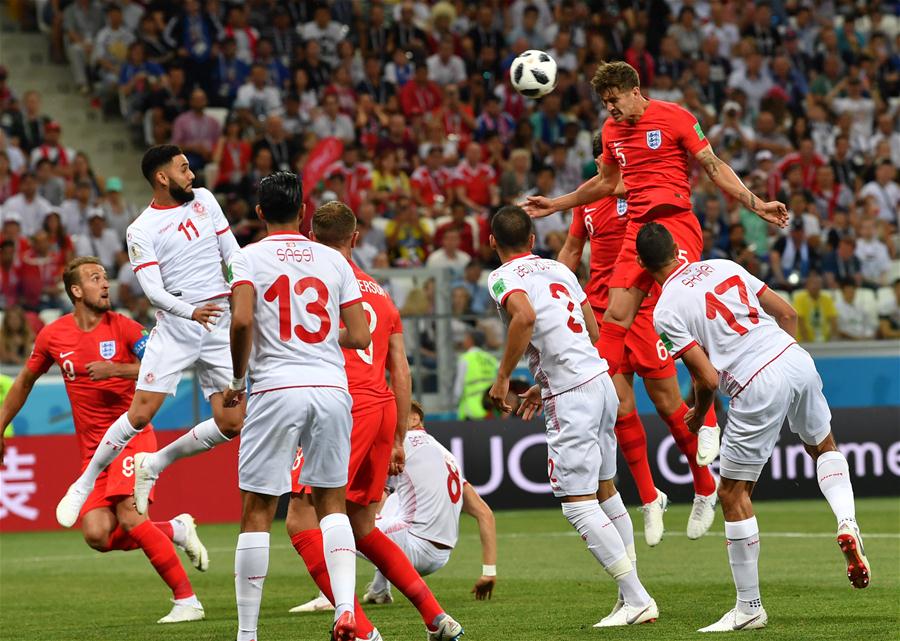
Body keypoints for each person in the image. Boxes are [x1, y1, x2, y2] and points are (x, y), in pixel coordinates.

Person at [524, 61, 787, 456]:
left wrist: (757, 204)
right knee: (614, 319)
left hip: (674, 225)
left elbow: (714, 168)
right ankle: (581, 390)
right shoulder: (612, 131)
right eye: (604, 103)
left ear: (635, 90)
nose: (610, 109)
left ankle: (712, 415)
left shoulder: (675, 117)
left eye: (614, 100)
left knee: (686, 308)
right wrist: (556, 205)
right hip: (637, 231)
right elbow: (608, 183)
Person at [635, 222, 870, 632]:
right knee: (823, 446)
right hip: (793, 356)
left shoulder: (665, 310)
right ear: (678, 248)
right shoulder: (723, 265)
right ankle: (847, 521)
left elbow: (707, 377)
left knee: (731, 493)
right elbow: (787, 313)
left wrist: (697, 413)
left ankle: (749, 608)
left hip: (754, 380)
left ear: (642, 263)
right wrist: (782, 359)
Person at [284, 201, 464, 641]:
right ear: (356, 238)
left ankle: (358, 629)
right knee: (362, 526)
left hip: (342, 408)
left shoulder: (313, 286)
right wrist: (400, 436)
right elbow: (400, 369)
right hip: (383, 408)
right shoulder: (380, 293)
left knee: (302, 517)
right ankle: (435, 617)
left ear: (311, 238)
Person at [0, 256, 208, 624]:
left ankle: (187, 600)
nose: (106, 284)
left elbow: (163, 365)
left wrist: (119, 369)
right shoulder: (53, 335)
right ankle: (174, 529)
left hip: (132, 437)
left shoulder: (125, 328)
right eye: (96, 279)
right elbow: (24, 382)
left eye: (105, 277)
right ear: (76, 291)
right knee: (96, 534)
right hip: (93, 452)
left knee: (129, 517)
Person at [486, 206, 658, 627]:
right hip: (599, 381)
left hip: (572, 396)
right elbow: (592, 332)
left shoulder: (501, 277)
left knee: (576, 504)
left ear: (493, 243)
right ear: (531, 240)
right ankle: (627, 596)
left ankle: (637, 598)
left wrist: (504, 377)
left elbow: (524, 316)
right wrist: (542, 383)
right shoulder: (558, 270)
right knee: (605, 490)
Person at [54, 145, 243, 528]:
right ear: (162, 177)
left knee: (232, 422)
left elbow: (233, 253)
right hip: (178, 327)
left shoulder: (205, 200)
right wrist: (190, 311)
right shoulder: (140, 229)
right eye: (184, 168)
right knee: (139, 415)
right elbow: (154, 292)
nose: (192, 175)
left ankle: (156, 462)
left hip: (219, 324)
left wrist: (241, 287)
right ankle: (85, 481)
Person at [220, 175, 371, 641]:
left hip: (275, 391)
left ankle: (247, 634)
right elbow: (362, 335)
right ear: (304, 211)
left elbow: (243, 318)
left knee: (258, 510)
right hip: (330, 388)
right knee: (332, 504)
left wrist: (238, 377)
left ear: (259, 213)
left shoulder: (245, 258)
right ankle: (345, 609)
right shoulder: (333, 259)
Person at [557, 133, 718, 545]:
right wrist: (556, 290)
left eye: (609, 158)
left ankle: (704, 486)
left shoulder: (645, 196)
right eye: (600, 159)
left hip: (644, 309)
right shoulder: (587, 203)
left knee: (667, 403)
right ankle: (650, 498)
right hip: (601, 311)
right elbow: (573, 251)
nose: (603, 165)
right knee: (619, 407)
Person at [454, 330, 499, 420]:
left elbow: (459, 386)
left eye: (466, 338)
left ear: (471, 340)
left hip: (471, 410)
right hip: (490, 409)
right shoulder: (492, 359)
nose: (464, 341)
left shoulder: (466, 358)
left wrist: (455, 402)